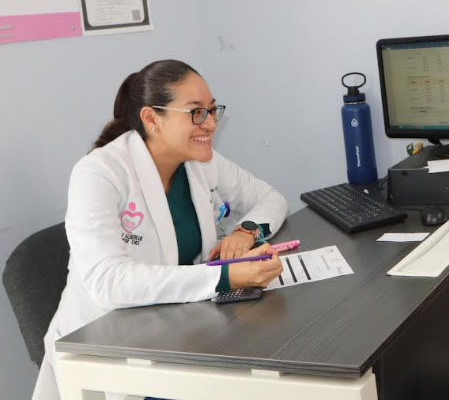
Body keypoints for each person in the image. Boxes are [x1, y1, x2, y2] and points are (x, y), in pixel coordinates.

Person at [32, 60, 289, 400]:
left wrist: (246, 231)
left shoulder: (201, 161)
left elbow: (271, 199)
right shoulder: (98, 172)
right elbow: (108, 282)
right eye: (196, 113)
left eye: (213, 110)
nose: (210, 123)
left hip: (182, 331)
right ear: (152, 119)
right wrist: (225, 277)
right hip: (109, 350)